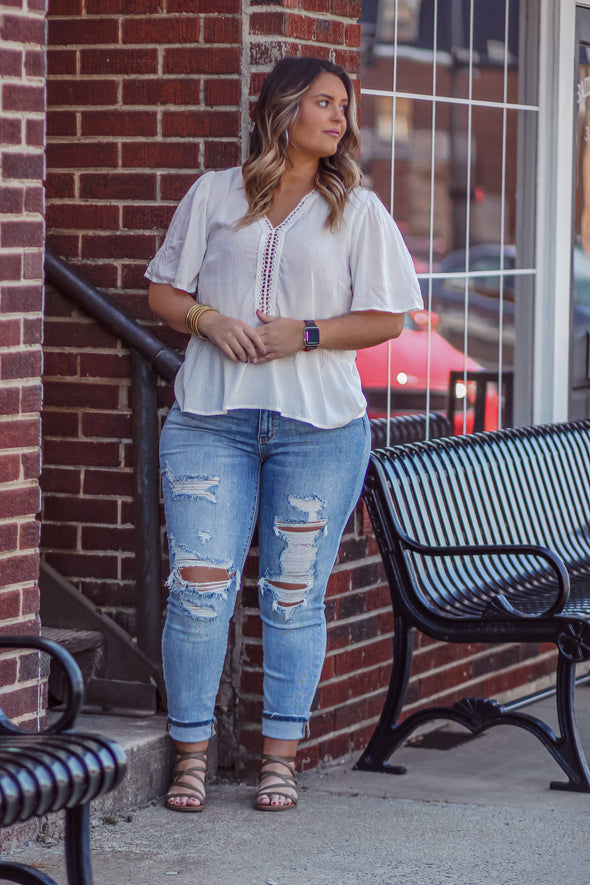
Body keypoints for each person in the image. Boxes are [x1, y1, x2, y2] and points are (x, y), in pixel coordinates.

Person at [145, 55, 423, 813]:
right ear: (283, 109)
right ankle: (191, 755)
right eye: (325, 103)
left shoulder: (355, 208)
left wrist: (302, 332)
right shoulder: (213, 194)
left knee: (293, 597)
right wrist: (209, 318)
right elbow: (164, 289)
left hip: (319, 430)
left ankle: (279, 759)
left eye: (344, 107)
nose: (339, 119)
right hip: (211, 419)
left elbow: (388, 317)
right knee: (199, 592)